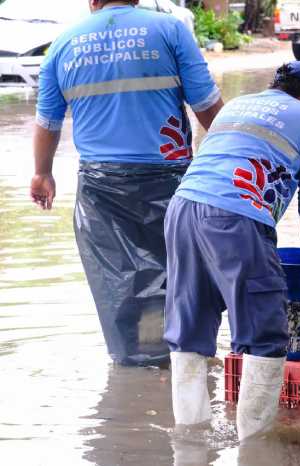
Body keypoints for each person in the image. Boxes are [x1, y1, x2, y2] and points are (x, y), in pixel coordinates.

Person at [30, 0, 223, 367]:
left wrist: (42, 173)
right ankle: (182, 361)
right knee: (180, 275)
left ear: (92, 1)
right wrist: (235, 156)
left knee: (120, 284)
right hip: (170, 178)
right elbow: (209, 107)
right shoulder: (169, 30)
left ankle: (138, 368)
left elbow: (48, 123)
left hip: (100, 186)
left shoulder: (63, 44)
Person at [163, 62, 300, 440]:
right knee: (267, 334)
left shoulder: (237, 104)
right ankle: (254, 448)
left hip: (182, 210)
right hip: (235, 218)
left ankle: (190, 443)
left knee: (189, 332)